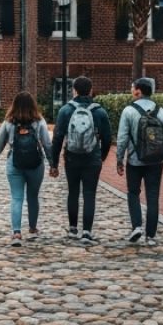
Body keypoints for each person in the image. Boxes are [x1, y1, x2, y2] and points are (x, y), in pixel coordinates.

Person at [50, 75, 112, 244]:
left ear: (74, 90)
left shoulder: (66, 110)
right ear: (91, 90)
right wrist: (102, 156)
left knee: (73, 192)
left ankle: (72, 229)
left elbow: (57, 138)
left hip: (72, 157)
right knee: (90, 194)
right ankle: (86, 231)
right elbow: (107, 138)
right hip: (92, 158)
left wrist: (54, 163)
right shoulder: (99, 111)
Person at [0, 91, 53, 247]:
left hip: (14, 163)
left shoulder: (9, 122)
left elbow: (0, 142)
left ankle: (16, 232)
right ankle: (32, 227)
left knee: (17, 197)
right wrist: (53, 163)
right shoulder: (39, 121)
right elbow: (47, 144)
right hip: (36, 164)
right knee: (33, 196)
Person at [115, 77, 163, 246]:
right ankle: (151, 236)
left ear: (138, 90)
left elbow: (122, 138)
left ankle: (137, 226)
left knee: (133, 192)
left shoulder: (129, 111)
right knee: (153, 196)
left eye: (132, 88)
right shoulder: (161, 111)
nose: (132, 91)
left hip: (135, 160)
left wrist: (119, 158)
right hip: (156, 161)